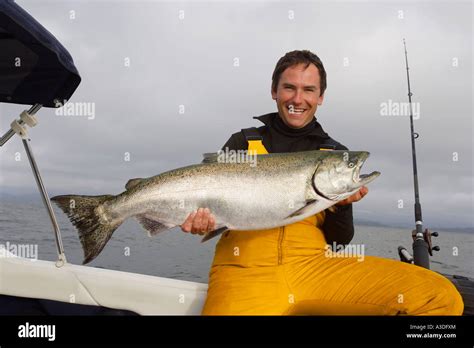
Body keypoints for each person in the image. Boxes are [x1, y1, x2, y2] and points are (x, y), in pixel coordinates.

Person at [181, 50, 464, 315]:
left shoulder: (335, 155)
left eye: (309, 90)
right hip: (245, 269)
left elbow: (340, 240)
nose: (298, 98)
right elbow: (209, 205)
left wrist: (340, 206)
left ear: (321, 96)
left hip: (315, 268)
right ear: (274, 91)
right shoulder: (243, 141)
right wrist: (202, 221)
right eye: (289, 87)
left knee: (440, 298)